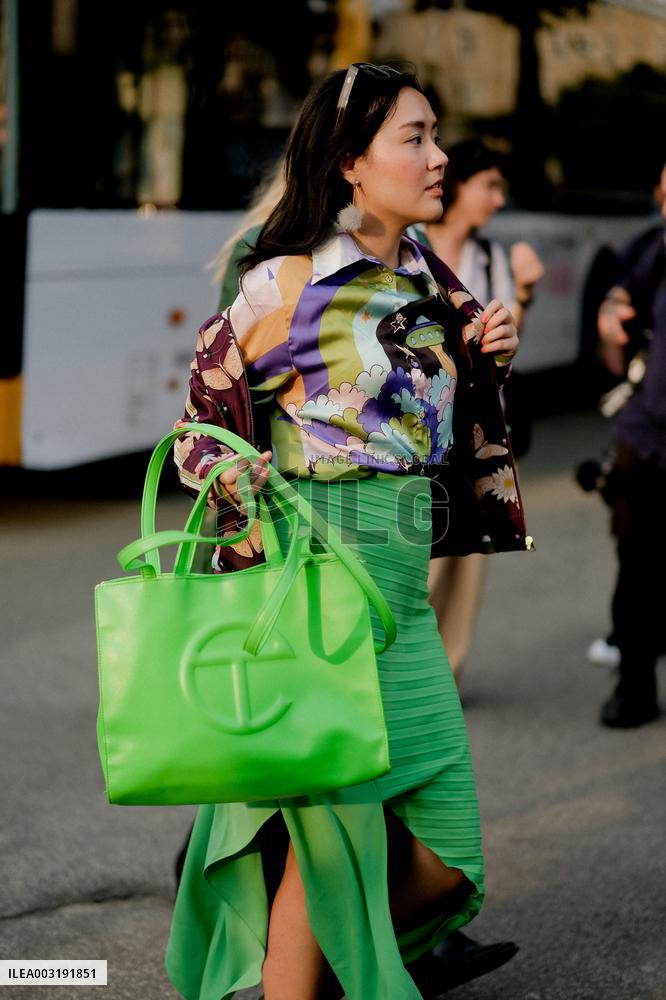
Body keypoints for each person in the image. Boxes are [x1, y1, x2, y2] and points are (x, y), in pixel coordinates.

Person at [166, 63, 527, 1000]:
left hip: (403, 604)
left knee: (449, 855)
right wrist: (237, 478)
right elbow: (196, 422)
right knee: (327, 857)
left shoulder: (424, 273)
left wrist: (487, 358)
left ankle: (327, 971)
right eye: (415, 137)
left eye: (435, 134)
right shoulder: (291, 276)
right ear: (351, 163)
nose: (438, 155)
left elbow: (431, 428)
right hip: (322, 590)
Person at [409, 139, 543, 686]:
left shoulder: (490, 257)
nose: (497, 199)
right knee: (422, 568)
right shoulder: (409, 249)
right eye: (489, 185)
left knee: (468, 563)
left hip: (479, 433)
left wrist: (525, 298)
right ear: (460, 185)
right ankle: (405, 680)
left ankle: (446, 679)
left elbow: (509, 345)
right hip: (420, 434)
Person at [595, 164, 666, 728]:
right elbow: (624, 294)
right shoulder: (655, 248)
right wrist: (611, 312)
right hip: (645, 438)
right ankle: (634, 688)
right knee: (637, 568)